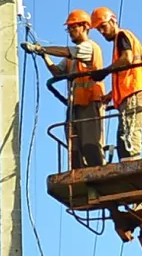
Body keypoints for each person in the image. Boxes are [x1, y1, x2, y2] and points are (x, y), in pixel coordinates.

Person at [26, 9, 108, 168]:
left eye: (73, 27)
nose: (70, 31)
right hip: (75, 106)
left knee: (90, 143)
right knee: (74, 145)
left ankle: (97, 170)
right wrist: (45, 56)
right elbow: (57, 72)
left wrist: (41, 49)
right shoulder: (71, 58)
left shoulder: (89, 47)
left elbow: (68, 51)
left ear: (85, 27)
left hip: (90, 102)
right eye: (68, 28)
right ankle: (79, 172)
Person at [90, 6, 142, 160]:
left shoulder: (122, 36)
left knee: (129, 131)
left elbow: (127, 59)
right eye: (98, 29)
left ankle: (131, 164)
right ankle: (128, 162)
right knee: (125, 131)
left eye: (103, 26)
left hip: (135, 91)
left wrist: (105, 71)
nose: (101, 31)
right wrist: (111, 95)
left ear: (113, 21)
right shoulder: (120, 40)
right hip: (132, 90)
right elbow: (126, 76)